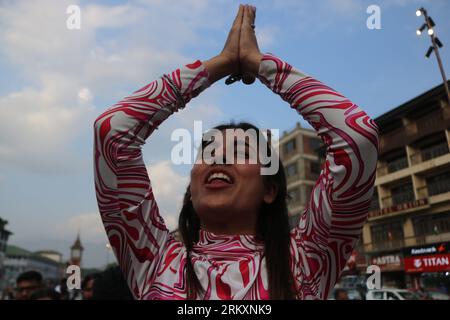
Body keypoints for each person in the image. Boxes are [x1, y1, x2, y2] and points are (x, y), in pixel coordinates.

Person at [93, 4, 379, 300]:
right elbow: (111, 132)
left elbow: (357, 136)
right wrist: (219, 64)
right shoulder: (155, 261)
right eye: (208, 151)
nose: (220, 158)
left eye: (241, 151)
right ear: (191, 190)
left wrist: (260, 64)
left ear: (270, 189)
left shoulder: (305, 261)